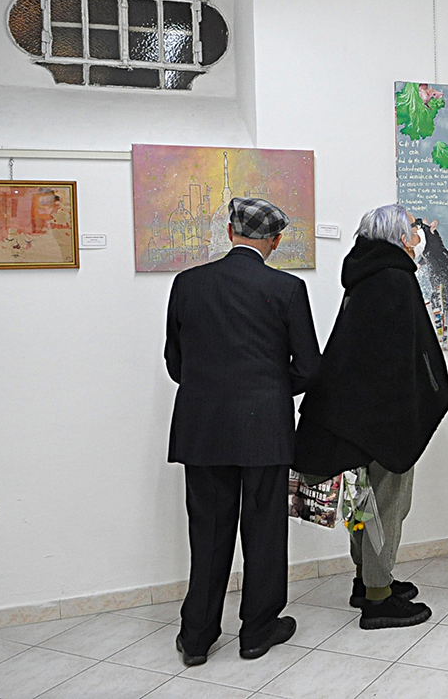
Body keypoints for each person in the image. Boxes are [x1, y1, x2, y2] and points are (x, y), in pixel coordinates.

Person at [164, 197, 320, 665]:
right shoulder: (287, 288)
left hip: (203, 428)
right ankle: (257, 630)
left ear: (230, 232)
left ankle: (197, 637)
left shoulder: (188, 283)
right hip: (265, 430)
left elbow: (175, 363)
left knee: (208, 533)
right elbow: (309, 368)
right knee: (265, 533)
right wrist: (269, 390)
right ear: (275, 241)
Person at [294, 203, 448, 629]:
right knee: (387, 505)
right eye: (413, 230)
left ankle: (366, 581)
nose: (418, 238)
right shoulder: (395, 279)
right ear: (399, 237)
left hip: (350, 417)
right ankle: (379, 599)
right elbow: (402, 361)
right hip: (384, 422)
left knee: (362, 504)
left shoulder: (363, 276)